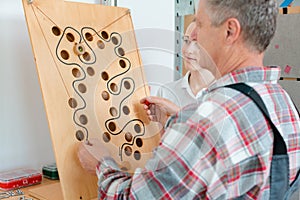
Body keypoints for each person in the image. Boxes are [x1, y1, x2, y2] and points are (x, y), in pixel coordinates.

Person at [78, 0, 300, 199]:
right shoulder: (283, 104)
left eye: (200, 24)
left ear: (230, 31)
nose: (194, 35)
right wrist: (182, 118)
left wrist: (101, 163)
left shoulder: (206, 120)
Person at [156, 21, 215, 108]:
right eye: (186, 41)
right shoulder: (166, 93)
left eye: (198, 44)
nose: (188, 50)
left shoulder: (230, 95)